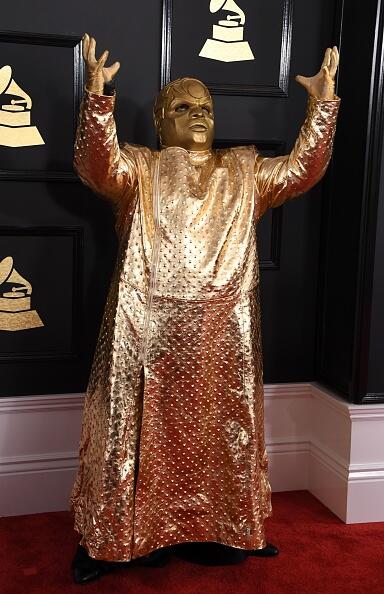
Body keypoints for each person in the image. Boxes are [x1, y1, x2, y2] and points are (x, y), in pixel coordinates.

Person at [70, 33, 340, 584]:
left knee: (221, 435)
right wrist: (98, 101)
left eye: (206, 107)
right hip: (146, 331)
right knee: (134, 435)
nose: (198, 115)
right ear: (160, 121)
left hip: (221, 336)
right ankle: (117, 537)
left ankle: (225, 529)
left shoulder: (244, 171)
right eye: (183, 107)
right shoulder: (139, 169)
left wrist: (323, 106)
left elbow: (302, 170)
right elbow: (96, 166)